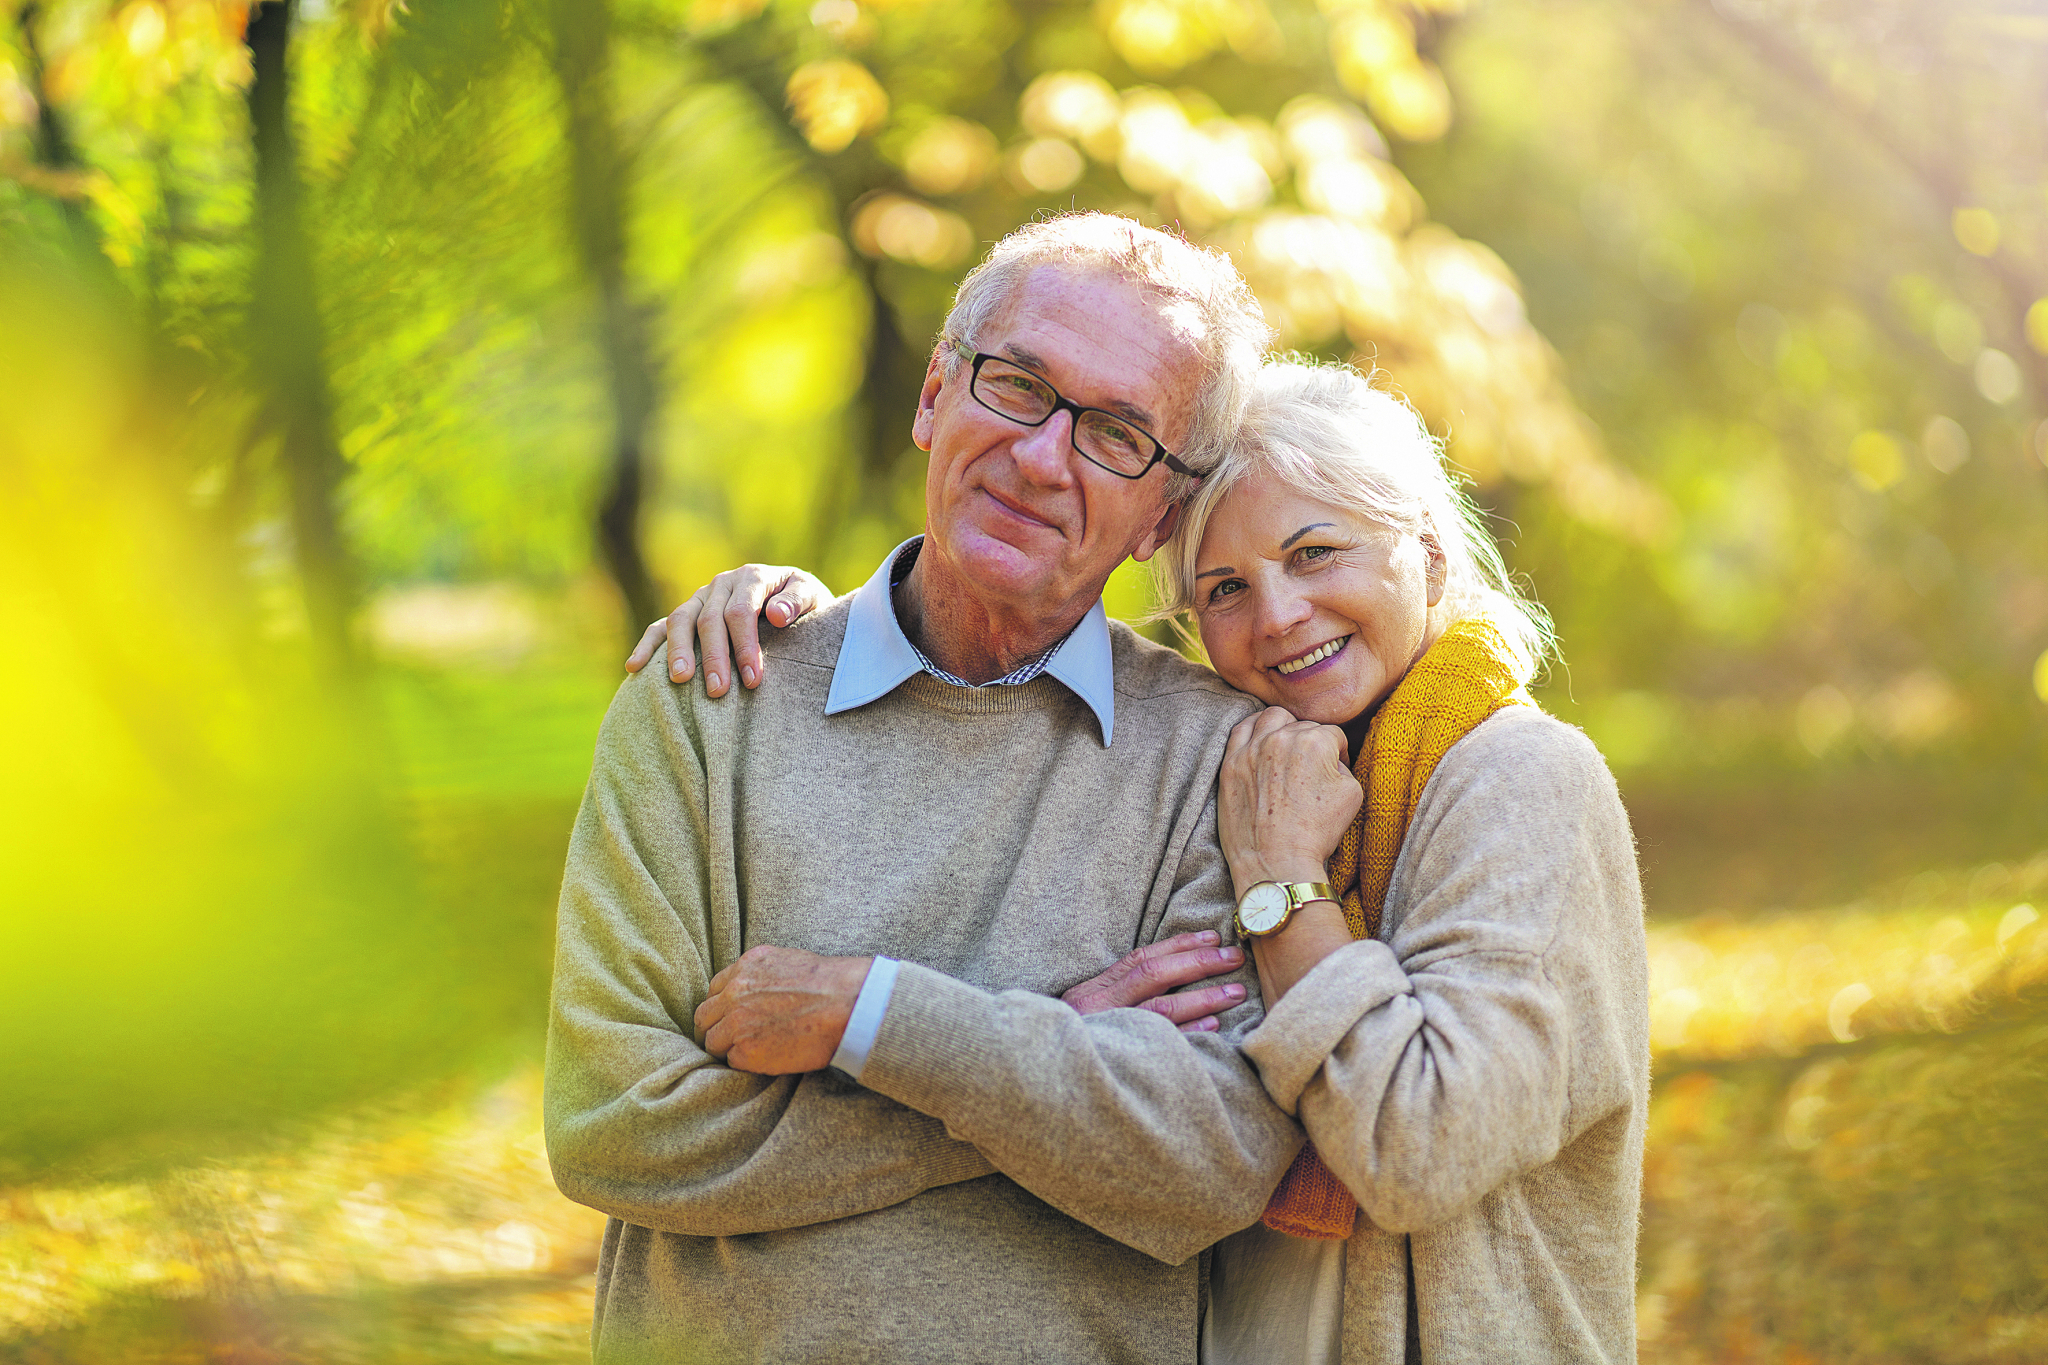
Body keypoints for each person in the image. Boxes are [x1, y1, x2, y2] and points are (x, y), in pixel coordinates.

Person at [653, 360, 1650, 1364]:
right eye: (1224, 589)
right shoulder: (1255, 766)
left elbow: (1415, 1150)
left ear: (1427, 554)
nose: (1276, 617)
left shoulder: (1517, 781)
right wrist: (805, 626)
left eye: (1314, 553)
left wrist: (1282, 886)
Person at [544, 212, 1305, 1365]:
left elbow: (1210, 1171)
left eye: (1113, 435)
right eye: (1015, 387)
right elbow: (613, 1129)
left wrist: (872, 1019)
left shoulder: (1223, 761)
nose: (1042, 456)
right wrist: (1055, 1050)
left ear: (1161, 510)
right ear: (933, 396)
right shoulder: (710, 696)